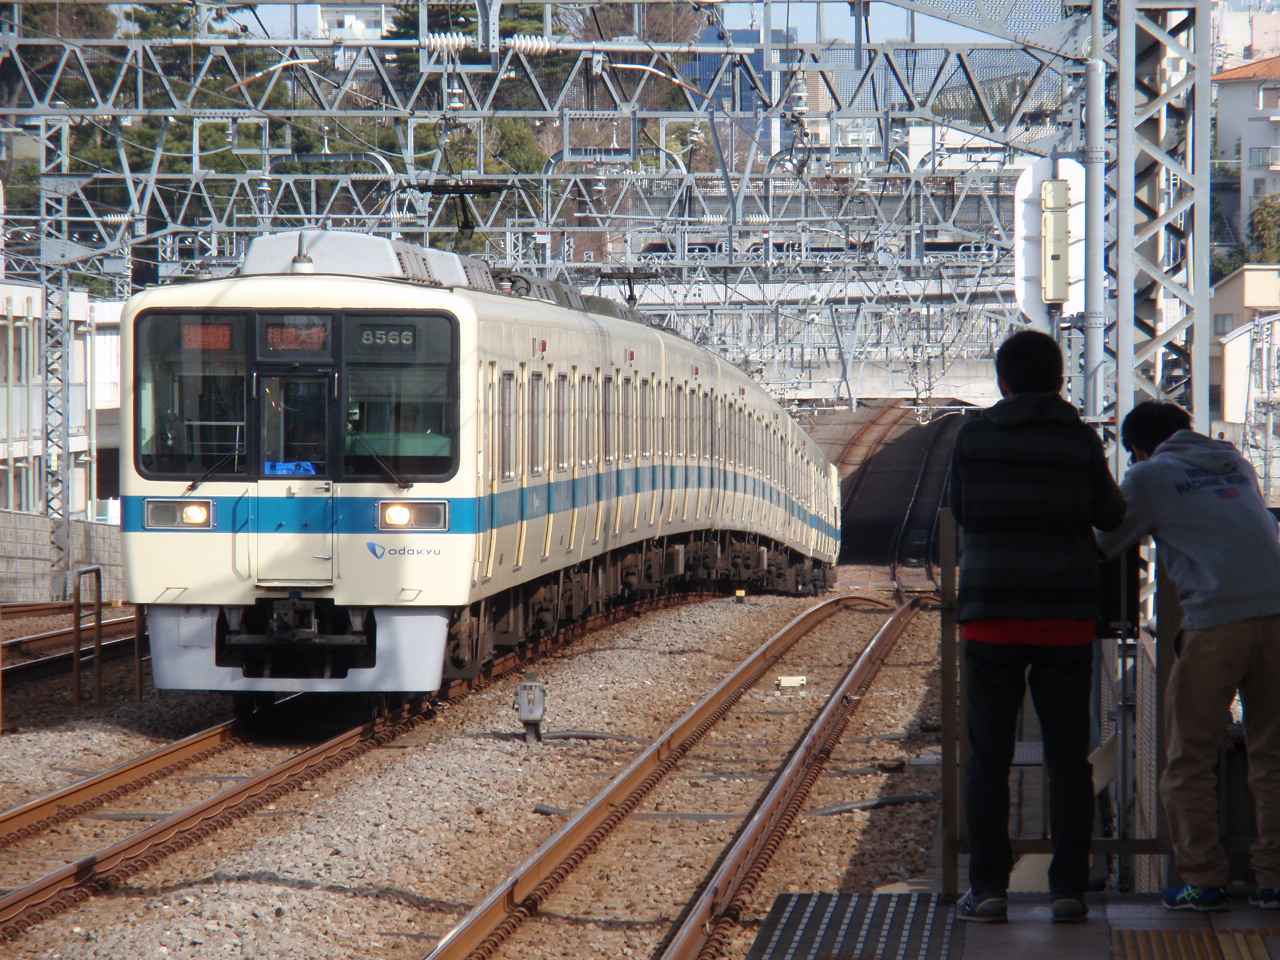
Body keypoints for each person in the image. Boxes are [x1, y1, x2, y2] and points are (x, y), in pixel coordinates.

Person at [948, 329, 1126, 924]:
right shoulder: (1079, 441)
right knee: (1067, 762)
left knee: (988, 761)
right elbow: (1112, 514)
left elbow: (963, 511)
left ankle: (990, 889)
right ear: (1059, 382)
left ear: (1002, 382)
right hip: (1067, 618)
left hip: (991, 615)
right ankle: (1068, 891)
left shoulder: (973, 437)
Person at [1097, 401, 1280, 912]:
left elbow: (1107, 543)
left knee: (1188, 759)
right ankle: (1274, 880)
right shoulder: (1237, 463)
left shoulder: (1149, 475)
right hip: (1278, 613)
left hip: (1216, 623)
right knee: (1273, 755)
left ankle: (1203, 879)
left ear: (1136, 448)